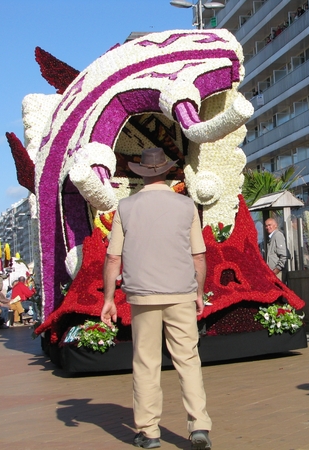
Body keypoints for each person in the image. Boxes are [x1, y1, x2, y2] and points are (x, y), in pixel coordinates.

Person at [101, 147, 212, 450]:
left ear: (142, 174)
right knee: (188, 359)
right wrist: (199, 293)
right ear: (167, 171)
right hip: (180, 293)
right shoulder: (186, 205)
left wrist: (109, 299)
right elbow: (199, 255)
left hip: (141, 295)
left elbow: (113, 259)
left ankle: (149, 432)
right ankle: (199, 426)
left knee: (146, 363)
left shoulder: (125, 207)